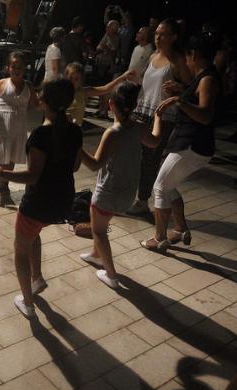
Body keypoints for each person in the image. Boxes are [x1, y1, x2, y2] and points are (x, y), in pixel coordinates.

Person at [0, 79, 82, 318]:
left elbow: (32, 176)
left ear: (44, 102)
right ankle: (36, 279)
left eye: (40, 92)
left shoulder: (40, 134)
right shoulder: (75, 129)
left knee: (20, 249)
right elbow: (76, 166)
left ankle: (27, 302)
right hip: (63, 200)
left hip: (38, 203)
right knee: (33, 234)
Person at [141, 33, 221, 252]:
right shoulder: (202, 76)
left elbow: (205, 115)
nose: (185, 62)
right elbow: (193, 99)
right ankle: (180, 228)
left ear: (193, 55)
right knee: (168, 183)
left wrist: (179, 100)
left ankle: (159, 238)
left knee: (160, 186)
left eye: (187, 57)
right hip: (186, 142)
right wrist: (180, 92)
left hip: (193, 145)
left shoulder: (208, 79)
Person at [79, 82, 161, 288]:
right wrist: (158, 117)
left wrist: (77, 149)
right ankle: (96, 254)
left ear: (111, 105)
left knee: (98, 230)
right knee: (100, 223)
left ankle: (111, 275)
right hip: (127, 193)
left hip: (108, 193)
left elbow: (94, 164)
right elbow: (155, 141)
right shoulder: (139, 127)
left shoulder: (113, 132)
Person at [127, 18, 192, 215]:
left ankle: (144, 201)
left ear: (173, 37)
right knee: (138, 158)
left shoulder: (178, 60)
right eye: (156, 33)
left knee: (151, 159)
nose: (158, 37)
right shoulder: (153, 55)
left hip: (163, 116)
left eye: (162, 34)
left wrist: (179, 87)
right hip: (142, 111)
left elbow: (191, 88)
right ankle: (141, 197)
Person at [0, 51, 38, 205]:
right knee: (2, 157)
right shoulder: (2, 83)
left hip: (19, 126)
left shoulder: (29, 86)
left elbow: (37, 104)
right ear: (8, 68)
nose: (16, 70)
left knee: (12, 157)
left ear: (25, 68)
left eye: (20, 67)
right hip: (2, 127)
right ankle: (1, 187)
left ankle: (5, 184)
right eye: (13, 66)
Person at [64, 62, 133, 126]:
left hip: (75, 132)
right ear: (66, 77)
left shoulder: (84, 92)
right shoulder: (61, 92)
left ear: (81, 79)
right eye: (70, 78)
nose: (73, 81)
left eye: (76, 79)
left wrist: (123, 76)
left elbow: (106, 88)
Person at [95, 19, 121, 119]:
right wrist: (103, 47)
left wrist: (105, 47)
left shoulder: (115, 38)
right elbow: (99, 47)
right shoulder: (106, 35)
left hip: (107, 66)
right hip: (101, 64)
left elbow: (113, 53)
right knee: (99, 88)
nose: (106, 28)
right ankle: (101, 109)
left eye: (109, 27)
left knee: (105, 90)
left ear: (113, 29)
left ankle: (104, 111)